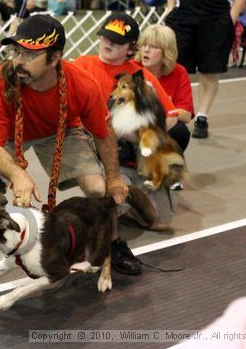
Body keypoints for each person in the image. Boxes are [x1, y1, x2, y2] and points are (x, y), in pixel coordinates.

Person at [0, 14, 141, 303]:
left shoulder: (81, 84)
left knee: (99, 190)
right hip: (9, 135)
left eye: (30, 54)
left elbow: (104, 133)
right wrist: (18, 175)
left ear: (55, 57)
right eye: (16, 51)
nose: (19, 60)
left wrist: (113, 178)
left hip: (62, 128)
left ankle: (112, 244)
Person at [74, 13, 180, 229]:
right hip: (100, 149)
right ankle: (118, 195)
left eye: (117, 41)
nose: (108, 43)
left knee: (161, 223)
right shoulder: (82, 66)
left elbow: (171, 116)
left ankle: (130, 196)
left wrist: (145, 137)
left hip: (136, 153)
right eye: (105, 37)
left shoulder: (140, 74)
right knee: (112, 206)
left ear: (131, 48)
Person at [166, 0, 246, 139]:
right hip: (184, 17)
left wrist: (234, 14)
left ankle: (202, 117)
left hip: (216, 19)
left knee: (209, 71)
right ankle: (171, 112)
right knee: (174, 68)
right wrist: (169, 6)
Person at [136, 24, 194, 154]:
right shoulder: (132, 68)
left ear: (166, 51)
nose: (146, 50)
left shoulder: (179, 72)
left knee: (180, 131)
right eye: (144, 45)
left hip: (162, 125)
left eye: (153, 47)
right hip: (135, 125)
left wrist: (164, 116)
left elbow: (186, 115)